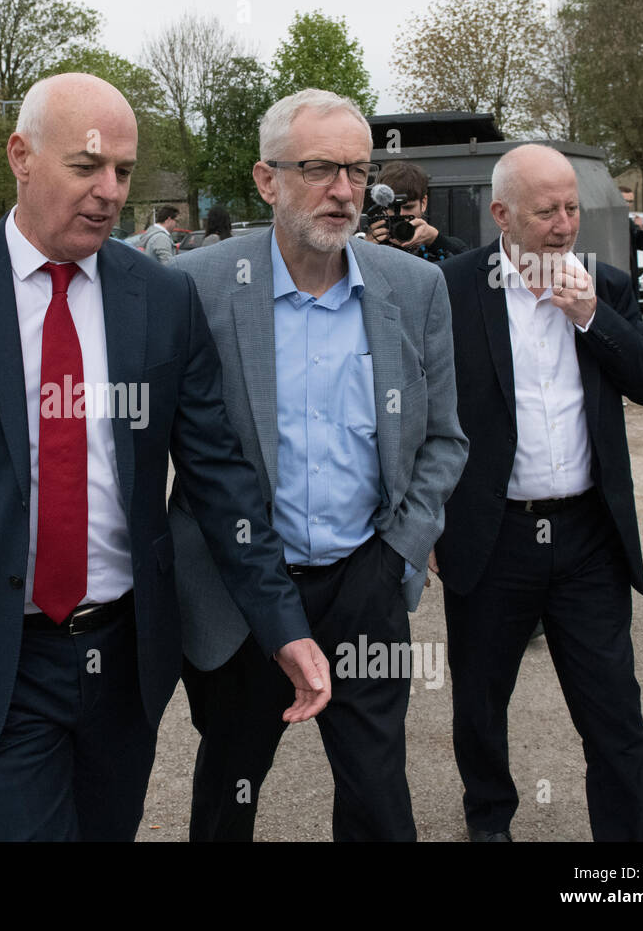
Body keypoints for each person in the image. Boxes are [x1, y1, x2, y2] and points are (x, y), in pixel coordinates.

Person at [0, 72, 332, 842]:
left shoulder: (159, 299)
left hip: (123, 660)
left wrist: (282, 622)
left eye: (122, 171)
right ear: (20, 156)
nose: (110, 191)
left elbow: (220, 479)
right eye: (86, 167)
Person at [169, 88, 468, 842]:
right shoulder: (198, 287)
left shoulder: (414, 287)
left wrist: (400, 548)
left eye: (358, 172)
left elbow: (444, 440)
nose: (344, 191)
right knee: (228, 791)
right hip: (239, 593)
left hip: (362, 581)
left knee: (378, 799)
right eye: (320, 169)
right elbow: (174, 446)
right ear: (268, 180)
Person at [434, 144, 643, 842]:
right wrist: (429, 528)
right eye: (547, 211)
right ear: (502, 213)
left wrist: (592, 316)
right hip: (492, 536)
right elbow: (417, 411)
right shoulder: (451, 289)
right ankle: (490, 824)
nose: (565, 223)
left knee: (615, 715)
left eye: (572, 207)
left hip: (587, 540)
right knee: (480, 704)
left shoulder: (606, 285)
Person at [365, 161, 467, 261]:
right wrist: (364, 250)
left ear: (423, 203)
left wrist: (436, 240)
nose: (401, 214)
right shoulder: (372, 245)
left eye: (408, 207)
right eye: (392, 208)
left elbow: (469, 269)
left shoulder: (443, 246)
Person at [619, 185, 643, 290]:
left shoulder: (630, 222)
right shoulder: (609, 220)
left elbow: (641, 245)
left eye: (631, 201)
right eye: (625, 201)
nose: (628, 204)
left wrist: (641, 228)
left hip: (631, 274)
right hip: (617, 273)